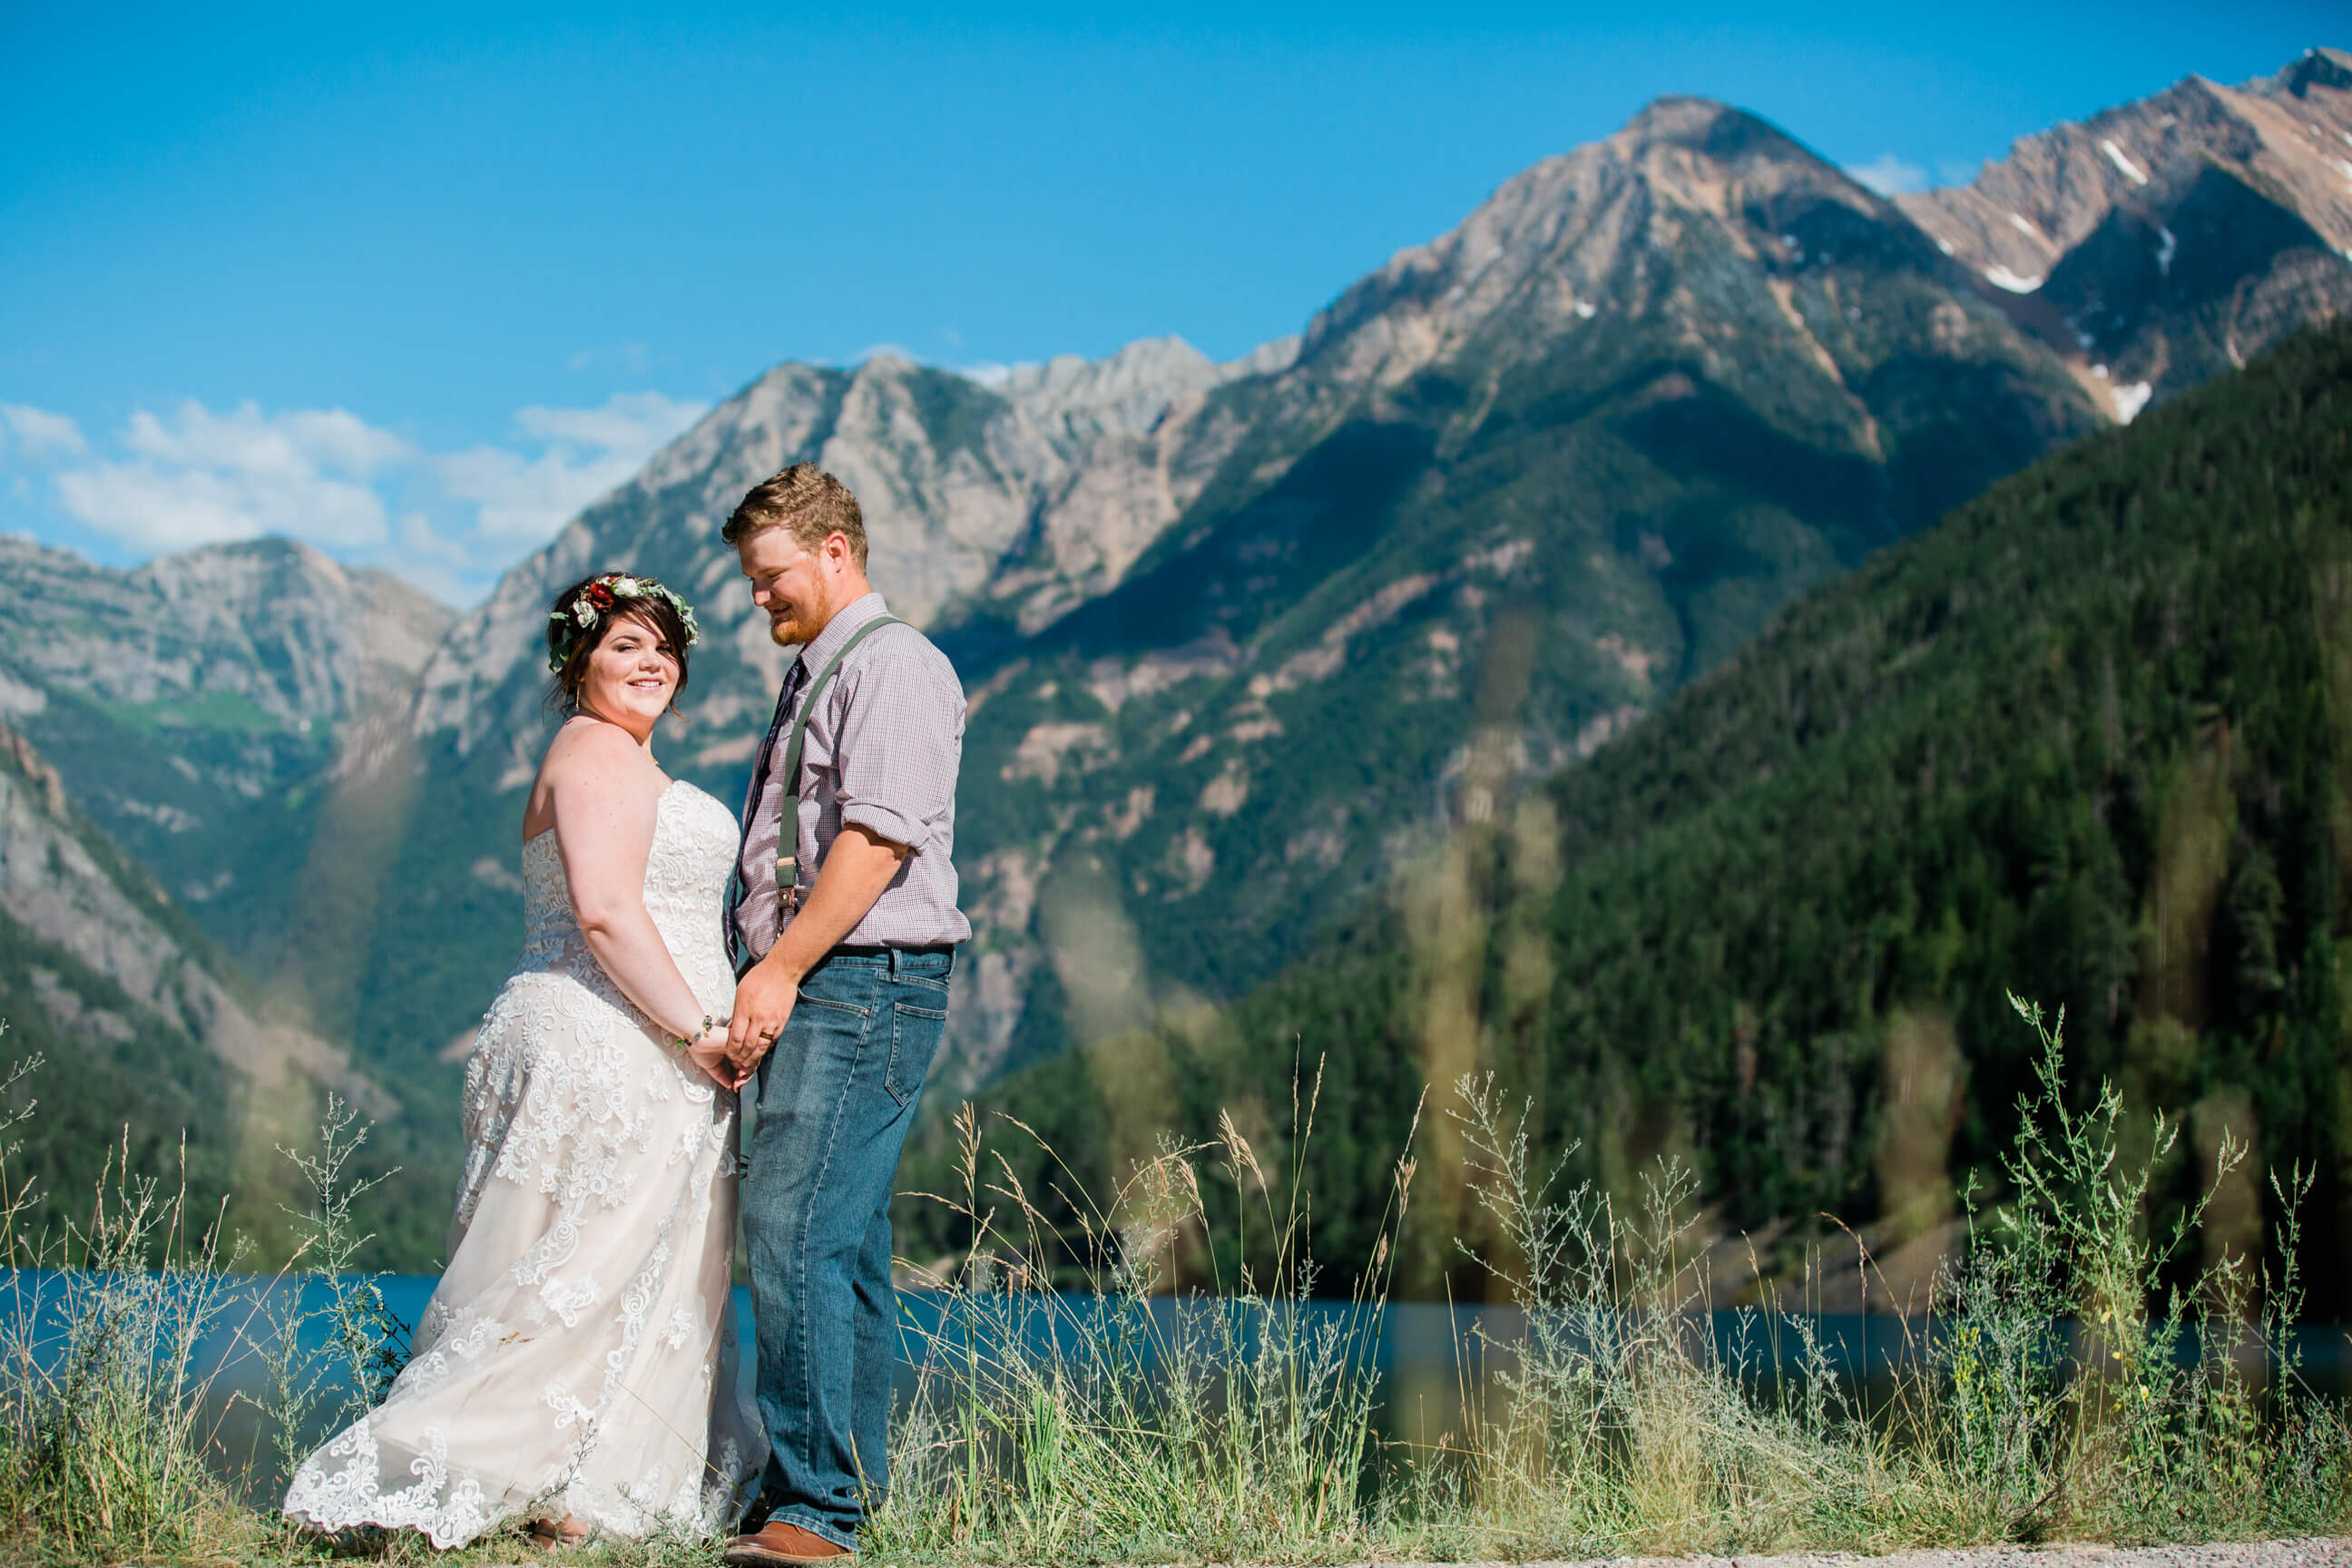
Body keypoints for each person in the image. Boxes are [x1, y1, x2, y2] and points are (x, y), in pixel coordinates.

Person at [284, 573, 763, 1551]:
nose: (653, 662)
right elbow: (603, 912)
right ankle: (465, 1464)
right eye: (626, 644)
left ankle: (585, 1481)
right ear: (577, 661)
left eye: (666, 646)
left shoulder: (621, 758)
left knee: (595, 1261)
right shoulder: (592, 751)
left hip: (627, 1040)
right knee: (581, 1262)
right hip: (614, 1039)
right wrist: (697, 1033)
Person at [717, 465, 970, 1567]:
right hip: (835, 979)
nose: (758, 599)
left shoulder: (898, 665)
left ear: (834, 552)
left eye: (771, 577)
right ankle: (834, 1493)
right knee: (845, 1241)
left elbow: (874, 843)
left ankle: (815, 1509)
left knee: (795, 1226)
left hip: (860, 978)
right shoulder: (822, 671)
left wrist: (777, 970)